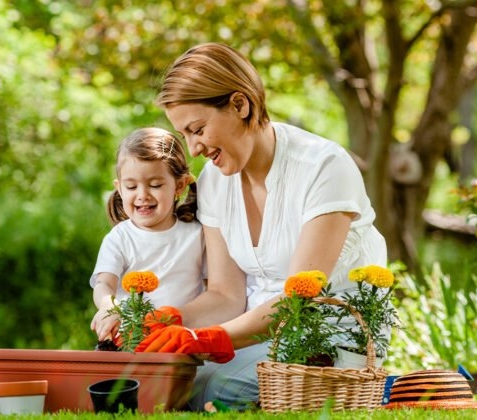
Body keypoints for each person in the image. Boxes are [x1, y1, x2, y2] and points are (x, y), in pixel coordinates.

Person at [135, 42, 388, 411]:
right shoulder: (214, 182)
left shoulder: (323, 167)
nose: (193, 149)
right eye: (185, 135)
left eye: (198, 129)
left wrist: (209, 339)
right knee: (163, 382)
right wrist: (174, 320)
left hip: (328, 342)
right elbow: (226, 294)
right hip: (252, 340)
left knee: (214, 390)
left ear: (240, 105)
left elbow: (299, 300)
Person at [89, 127, 205, 344]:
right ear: (120, 188)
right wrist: (108, 307)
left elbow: (213, 290)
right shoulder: (120, 238)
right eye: (131, 186)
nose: (142, 195)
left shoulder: (197, 235)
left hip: (181, 343)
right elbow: (104, 283)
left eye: (155, 185)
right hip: (130, 343)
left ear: (178, 186)